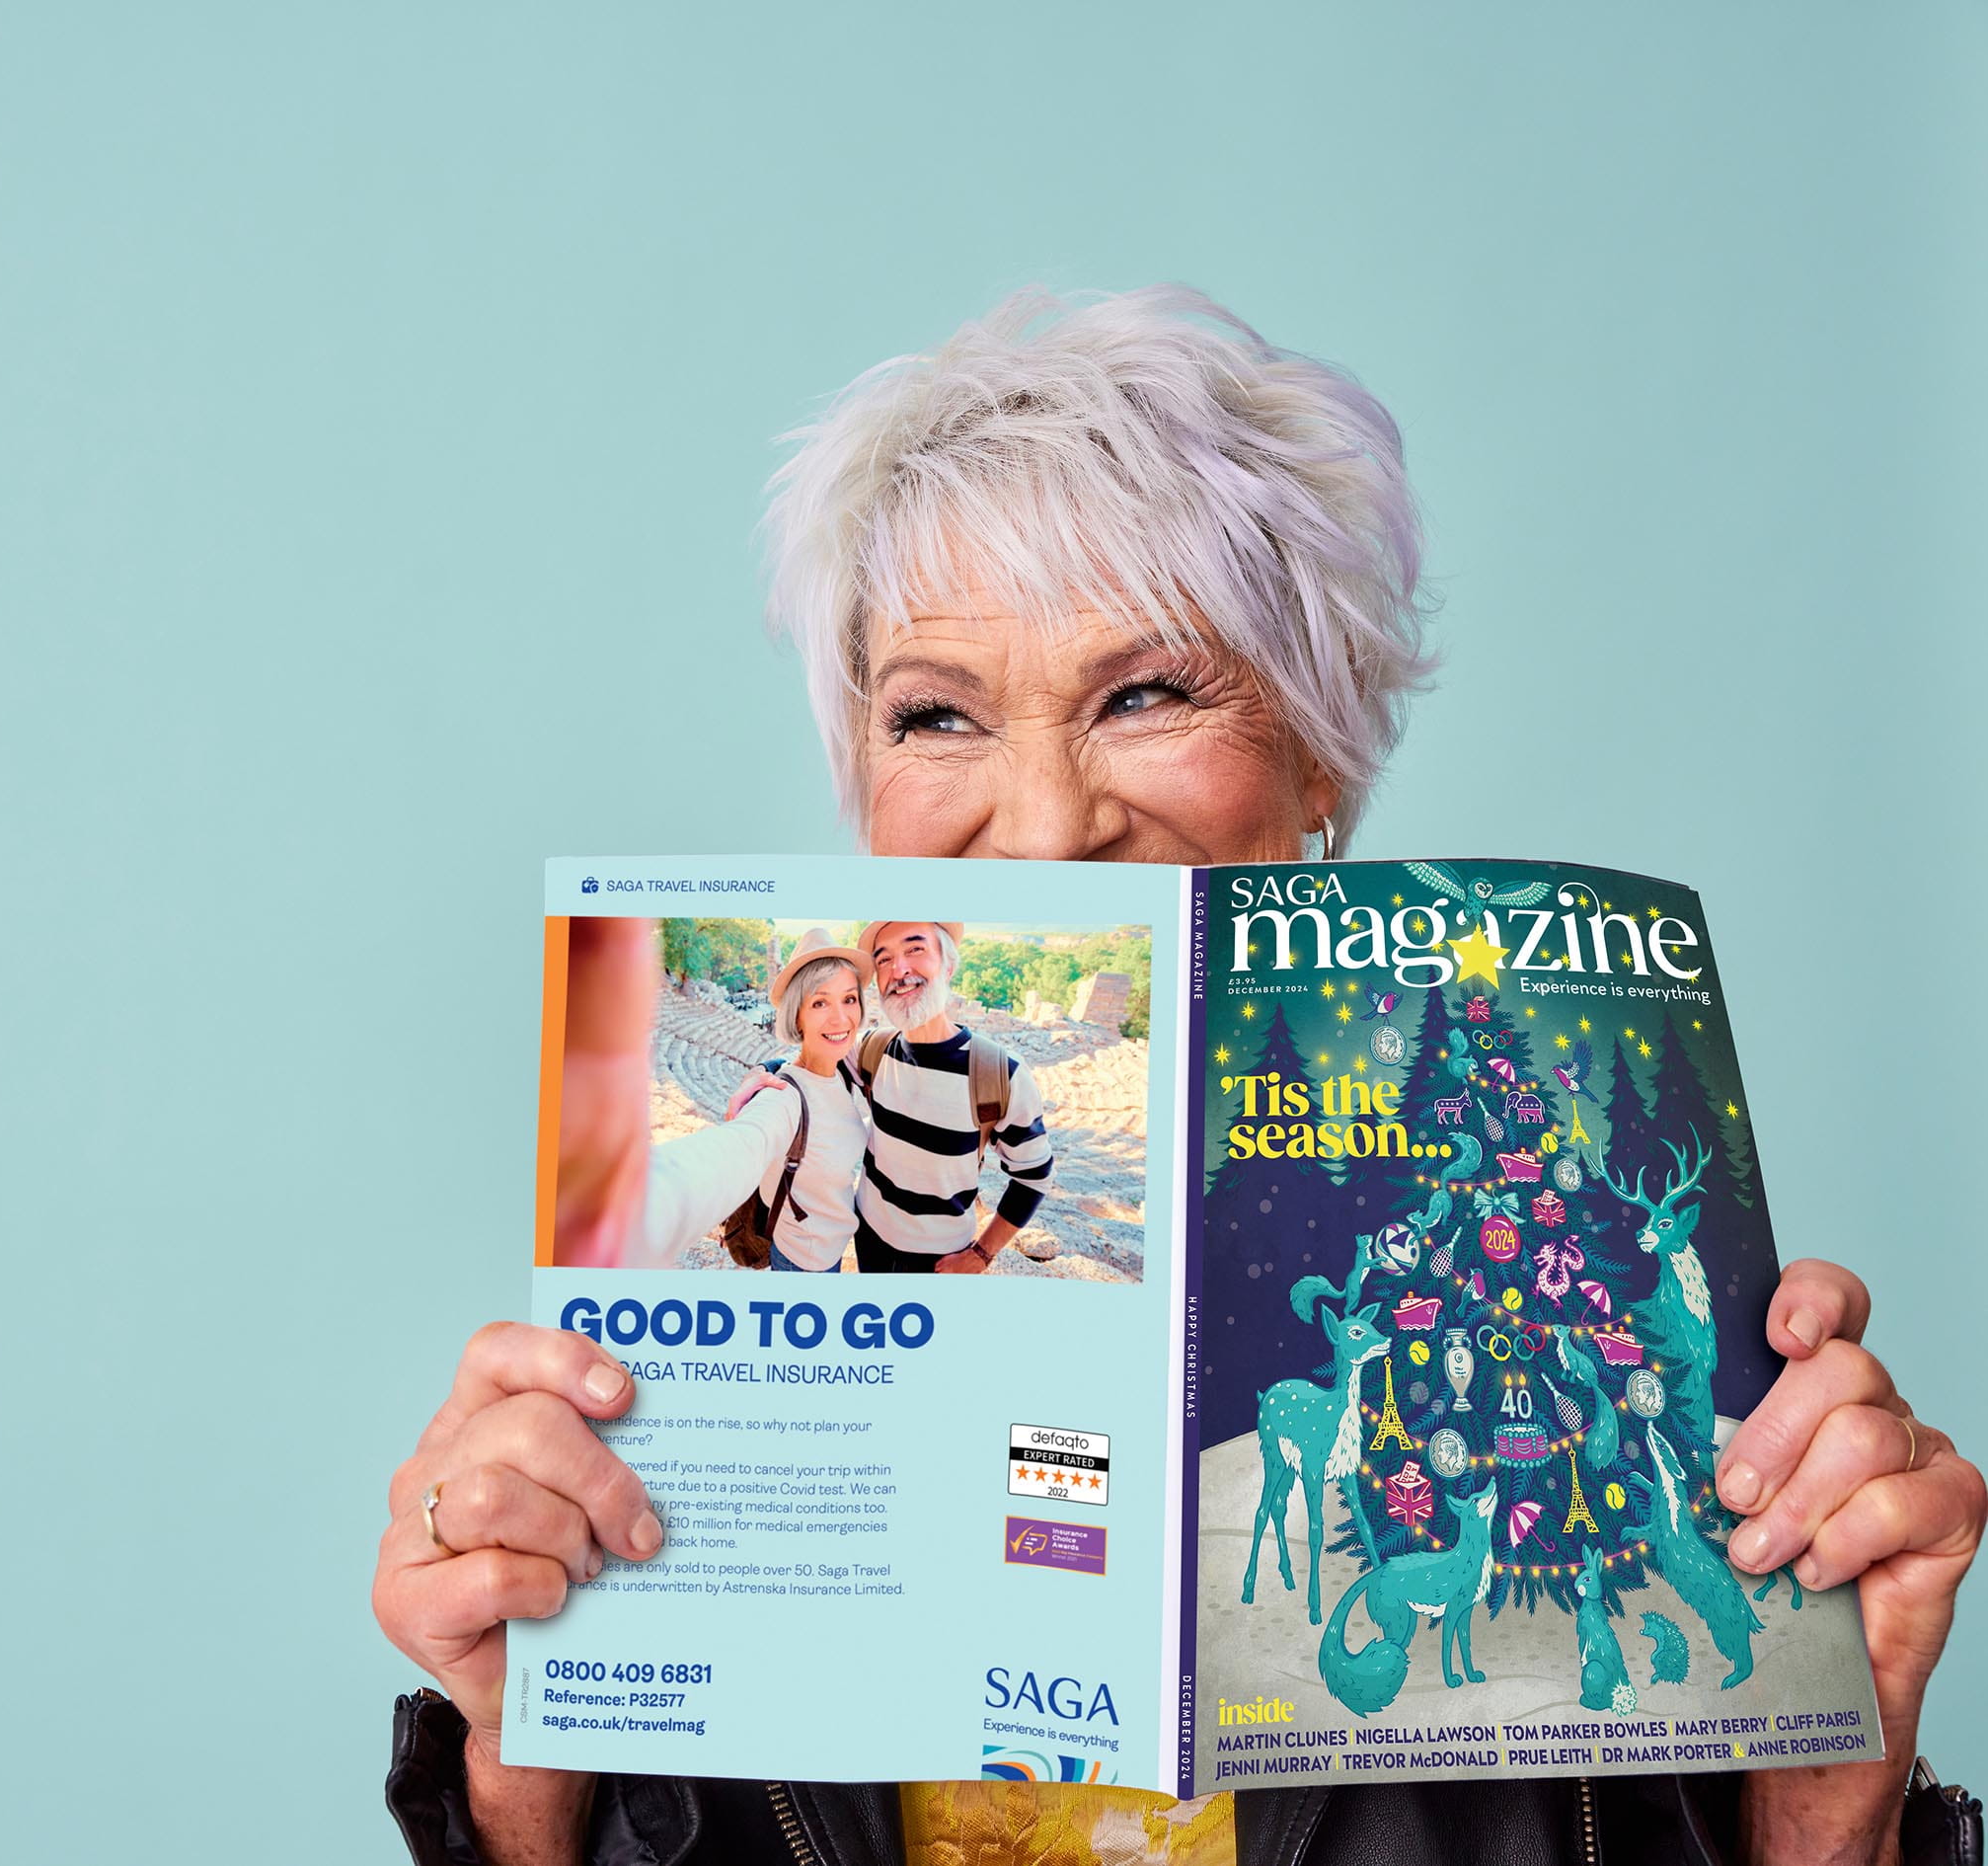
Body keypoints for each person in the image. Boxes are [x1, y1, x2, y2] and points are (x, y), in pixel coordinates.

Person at [370, 286, 1987, 1866]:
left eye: (1142, 694)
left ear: (1314, 769)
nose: (1045, 820)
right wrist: (526, 1794)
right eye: (934, 716)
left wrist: (1822, 1815)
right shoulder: (691, 1355)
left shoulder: (1558, 1252)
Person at [726, 918, 1058, 1274]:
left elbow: (1033, 1176)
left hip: (941, 1259)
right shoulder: (873, 1050)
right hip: (868, 1237)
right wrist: (761, 1072)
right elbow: (814, 1055)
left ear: (948, 964)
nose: (899, 969)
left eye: (915, 949)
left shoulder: (1000, 1074)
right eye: (884, 959)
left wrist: (982, 1253)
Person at [623, 938, 875, 1273]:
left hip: (832, 1250)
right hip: (802, 1261)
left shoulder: (843, 1066)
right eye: (819, 1003)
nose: (840, 1018)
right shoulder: (782, 1097)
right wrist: (648, 1198)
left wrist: (761, 1067)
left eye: (849, 999)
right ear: (797, 1015)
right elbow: (741, 1144)